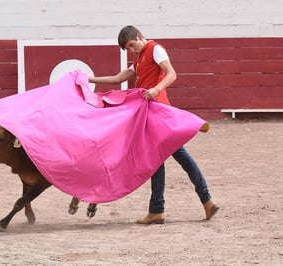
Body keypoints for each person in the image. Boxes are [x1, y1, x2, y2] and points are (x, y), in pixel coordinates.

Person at [88, 25, 219, 224]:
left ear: (140, 36)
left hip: (159, 112)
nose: (133, 49)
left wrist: (156, 89)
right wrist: (87, 78)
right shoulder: (139, 58)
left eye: (132, 45)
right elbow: (118, 79)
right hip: (150, 114)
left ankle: (198, 201)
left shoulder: (155, 49)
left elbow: (172, 74)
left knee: (176, 157)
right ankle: (165, 208)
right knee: (160, 160)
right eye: (129, 48)